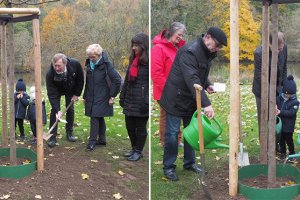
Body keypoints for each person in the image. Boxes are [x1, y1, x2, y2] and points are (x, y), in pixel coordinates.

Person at [159, 27, 227, 181]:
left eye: (219, 47)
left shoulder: (206, 52)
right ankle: (168, 167)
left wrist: (207, 84)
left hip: (191, 98)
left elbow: (199, 73)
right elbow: (192, 78)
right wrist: (206, 104)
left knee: (192, 133)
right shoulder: (190, 51)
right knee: (172, 134)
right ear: (207, 37)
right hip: (175, 98)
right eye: (216, 45)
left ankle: (189, 163)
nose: (217, 49)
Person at [151, 22, 186, 147]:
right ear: (171, 32)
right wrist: (168, 90)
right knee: (166, 116)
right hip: (164, 90)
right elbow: (156, 73)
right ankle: (165, 141)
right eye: (179, 34)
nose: (180, 38)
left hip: (177, 90)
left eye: (182, 35)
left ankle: (177, 139)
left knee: (177, 115)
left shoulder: (178, 48)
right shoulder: (158, 48)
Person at [252, 32, 287, 151]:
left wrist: (283, 88)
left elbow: (284, 67)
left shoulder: (283, 48)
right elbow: (261, 78)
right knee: (264, 118)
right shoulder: (260, 53)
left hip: (278, 89)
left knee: (277, 116)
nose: (280, 51)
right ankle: (264, 147)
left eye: (281, 48)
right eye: (277, 49)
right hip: (262, 91)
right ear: (269, 44)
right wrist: (270, 101)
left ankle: (275, 144)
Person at [83, 44, 122, 151]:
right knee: (99, 117)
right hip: (91, 95)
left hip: (103, 96)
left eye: (93, 57)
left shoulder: (107, 65)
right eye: (89, 56)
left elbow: (117, 80)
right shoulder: (89, 64)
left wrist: (112, 96)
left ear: (99, 55)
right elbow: (88, 82)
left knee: (94, 117)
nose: (91, 59)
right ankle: (102, 139)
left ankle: (92, 142)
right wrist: (85, 96)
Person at [119, 33, 149, 161]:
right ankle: (133, 147)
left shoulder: (149, 62)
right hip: (130, 99)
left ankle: (138, 151)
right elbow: (126, 80)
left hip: (142, 101)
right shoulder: (133, 60)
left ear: (143, 46)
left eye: (136, 45)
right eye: (133, 45)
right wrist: (122, 95)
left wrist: (146, 101)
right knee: (129, 126)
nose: (133, 48)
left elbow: (149, 84)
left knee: (140, 128)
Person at [46, 53, 84, 148]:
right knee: (54, 112)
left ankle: (69, 133)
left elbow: (80, 80)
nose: (56, 68)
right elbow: (52, 93)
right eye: (55, 65)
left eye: (59, 66)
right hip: (57, 89)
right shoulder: (50, 74)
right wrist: (57, 110)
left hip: (70, 87)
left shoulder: (75, 64)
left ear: (65, 63)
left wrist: (76, 94)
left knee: (70, 108)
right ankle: (52, 137)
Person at [276, 75, 299, 162]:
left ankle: (292, 154)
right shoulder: (279, 98)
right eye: (286, 93)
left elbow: (292, 113)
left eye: (289, 94)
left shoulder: (295, 102)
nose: (287, 95)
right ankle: (282, 153)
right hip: (281, 125)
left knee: (289, 140)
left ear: (292, 93)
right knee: (281, 140)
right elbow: (275, 102)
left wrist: (281, 112)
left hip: (289, 126)